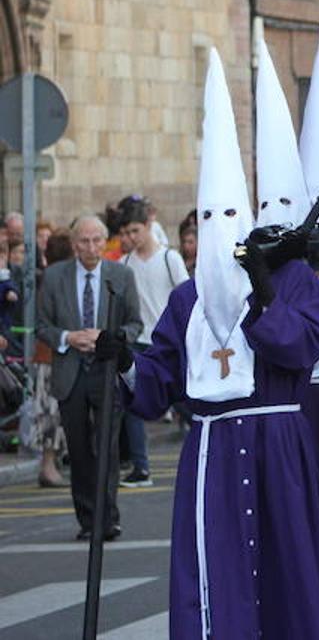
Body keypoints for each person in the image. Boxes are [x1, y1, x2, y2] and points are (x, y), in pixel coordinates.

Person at [117, 48, 319, 638]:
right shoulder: (187, 299)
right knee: (216, 572)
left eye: (228, 216)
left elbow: (303, 348)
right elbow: (159, 381)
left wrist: (264, 292)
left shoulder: (293, 280)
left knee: (290, 571)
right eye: (207, 218)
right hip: (212, 452)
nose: (217, 230)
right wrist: (123, 365)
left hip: (280, 448)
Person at [34, 214, 142, 540]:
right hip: (71, 372)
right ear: (74, 244)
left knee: (107, 447)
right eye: (84, 241)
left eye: (97, 240)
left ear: (105, 242)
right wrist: (68, 337)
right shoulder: (55, 277)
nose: (91, 247)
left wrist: (108, 338)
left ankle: (108, 519)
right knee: (79, 450)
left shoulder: (121, 275)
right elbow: (42, 326)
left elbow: (135, 325)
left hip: (106, 371)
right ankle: (88, 520)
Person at [115, 196, 190, 487]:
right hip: (137, 339)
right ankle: (141, 467)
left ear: (148, 225)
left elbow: (186, 297)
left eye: (135, 230)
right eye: (126, 233)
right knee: (133, 403)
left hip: (167, 340)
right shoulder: (124, 263)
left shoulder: (169, 259)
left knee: (183, 399)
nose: (131, 237)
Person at [31, 229, 72, 487]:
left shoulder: (50, 277)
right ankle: (48, 465)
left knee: (51, 412)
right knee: (51, 413)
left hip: (49, 354)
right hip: (52, 356)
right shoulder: (56, 280)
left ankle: (50, 464)